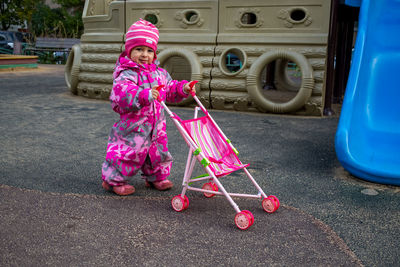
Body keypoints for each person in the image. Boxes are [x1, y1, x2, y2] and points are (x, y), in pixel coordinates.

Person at [101, 19, 196, 196]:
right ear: (129, 51)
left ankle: (156, 178)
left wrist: (182, 88)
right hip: (134, 127)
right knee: (128, 153)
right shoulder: (126, 73)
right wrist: (143, 94)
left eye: (149, 50)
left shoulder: (159, 73)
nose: (144, 55)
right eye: (139, 49)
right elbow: (122, 94)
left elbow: (169, 88)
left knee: (158, 152)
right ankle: (113, 180)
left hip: (156, 126)